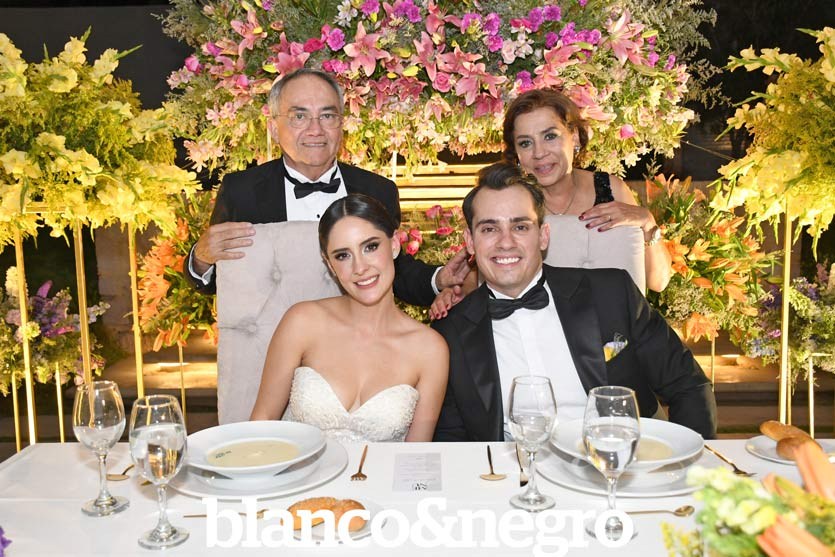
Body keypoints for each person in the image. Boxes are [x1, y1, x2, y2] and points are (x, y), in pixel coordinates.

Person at [431, 163, 716, 442]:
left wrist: (691, 463)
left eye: (520, 226)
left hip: (614, 459)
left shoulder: (611, 293)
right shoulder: (450, 333)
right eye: (489, 229)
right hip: (514, 468)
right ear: (470, 242)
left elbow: (687, 384)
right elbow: (451, 438)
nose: (506, 242)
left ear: (543, 236)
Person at [185, 68, 469, 306]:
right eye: (299, 116)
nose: (315, 130)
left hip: (357, 343)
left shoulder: (377, 190)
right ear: (273, 128)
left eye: (327, 116)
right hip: (276, 344)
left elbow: (395, 271)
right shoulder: (241, 191)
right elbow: (224, 279)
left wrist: (438, 279)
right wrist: (201, 260)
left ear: (341, 124)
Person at [250, 194, 449, 443]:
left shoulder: (430, 349)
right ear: (329, 264)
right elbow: (263, 421)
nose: (360, 268)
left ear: (395, 245)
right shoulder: (302, 322)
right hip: (297, 469)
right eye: (343, 255)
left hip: (385, 471)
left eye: (370, 247)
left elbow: (415, 457)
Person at [504, 88, 671, 292]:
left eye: (549, 136)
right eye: (525, 143)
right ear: (517, 153)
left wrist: (648, 222)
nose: (538, 153)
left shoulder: (610, 189)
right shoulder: (510, 203)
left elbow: (658, 283)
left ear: (574, 137)